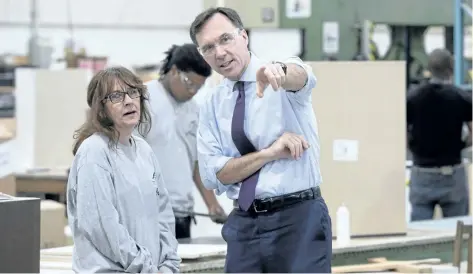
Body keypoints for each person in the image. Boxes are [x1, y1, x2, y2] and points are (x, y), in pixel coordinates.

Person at [189, 7, 332, 273]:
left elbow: (304, 76)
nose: (219, 53)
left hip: (297, 218)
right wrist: (271, 153)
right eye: (207, 48)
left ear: (243, 36)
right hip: (244, 222)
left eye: (225, 39)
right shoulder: (211, 103)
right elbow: (215, 174)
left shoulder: (278, 79)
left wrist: (281, 70)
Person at [67, 67, 180, 273]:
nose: (129, 101)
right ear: (101, 109)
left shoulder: (143, 149)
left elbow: (163, 213)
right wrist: (144, 267)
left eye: (133, 92)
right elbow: (102, 226)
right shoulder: (94, 152)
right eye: (116, 96)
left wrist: (168, 263)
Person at [141, 44, 227, 240]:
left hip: (182, 214)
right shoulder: (142, 99)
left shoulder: (194, 110)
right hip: (149, 214)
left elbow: (196, 162)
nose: (193, 91)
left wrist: (211, 203)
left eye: (199, 86)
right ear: (174, 71)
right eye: (190, 83)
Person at [407, 48, 472, 221]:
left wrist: (412, 146)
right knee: (457, 232)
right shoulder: (461, 97)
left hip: (421, 173)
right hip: (452, 174)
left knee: (419, 234)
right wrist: (464, 144)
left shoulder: (413, 97)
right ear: (451, 69)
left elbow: (402, 130)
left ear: (429, 69)